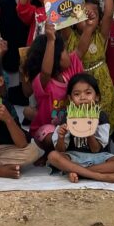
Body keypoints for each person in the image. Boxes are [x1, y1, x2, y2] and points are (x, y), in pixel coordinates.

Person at [46, 73, 114, 183]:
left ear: (97, 96)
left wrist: (90, 133)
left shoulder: (101, 116)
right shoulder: (67, 116)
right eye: (77, 94)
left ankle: (78, 173)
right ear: (70, 98)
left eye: (88, 93)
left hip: (99, 158)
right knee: (53, 156)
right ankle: (100, 176)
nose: (83, 97)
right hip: (73, 157)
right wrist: (61, 136)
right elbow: (61, 150)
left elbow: (96, 149)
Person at [66, 0, 114, 127]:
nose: (88, 17)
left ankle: (106, 140)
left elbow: (109, 14)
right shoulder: (69, 36)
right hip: (78, 84)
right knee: (81, 118)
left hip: (102, 82)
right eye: (83, 14)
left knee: (104, 117)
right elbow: (63, 15)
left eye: (93, 14)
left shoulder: (100, 35)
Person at [24, 21, 84, 149]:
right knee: (51, 135)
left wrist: (89, 26)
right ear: (55, 58)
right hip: (47, 130)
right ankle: (51, 154)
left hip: (70, 124)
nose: (68, 53)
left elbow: (81, 49)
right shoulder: (42, 81)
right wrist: (51, 41)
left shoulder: (71, 67)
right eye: (64, 51)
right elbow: (46, 71)